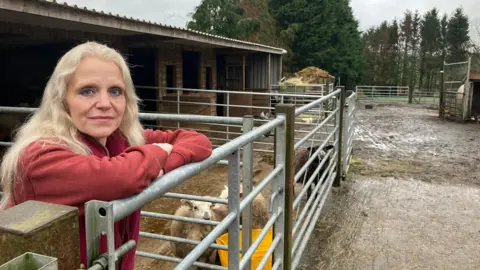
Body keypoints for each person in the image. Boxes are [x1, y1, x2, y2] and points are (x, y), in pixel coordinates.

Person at [0, 41, 213, 269]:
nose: (104, 103)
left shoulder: (119, 138)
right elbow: (120, 177)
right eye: (87, 91)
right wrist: (156, 153)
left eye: (115, 91)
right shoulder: (40, 156)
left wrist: (163, 161)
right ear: (62, 100)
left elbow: (199, 141)